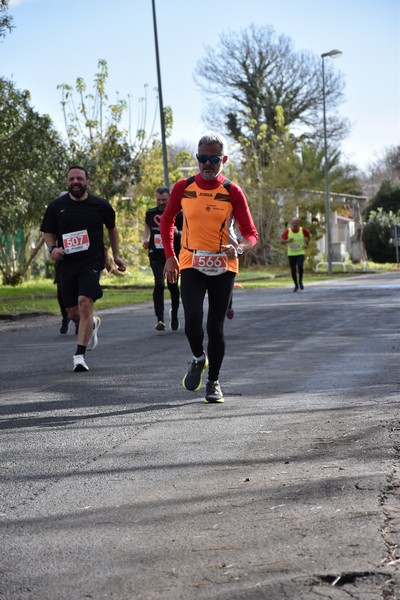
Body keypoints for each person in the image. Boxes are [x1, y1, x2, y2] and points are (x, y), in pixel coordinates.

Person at [160, 132, 258, 404]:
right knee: (191, 318)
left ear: (223, 159)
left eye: (213, 159)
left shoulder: (232, 191)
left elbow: (251, 234)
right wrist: (170, 256)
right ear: (197, 159)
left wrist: (238, 249)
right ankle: (197, 358)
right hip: (191, 260)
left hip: (223, 264)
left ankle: (213, 382)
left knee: (215, 327)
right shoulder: (183, 187)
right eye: (202, 158)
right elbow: (167, 221)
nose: (207, 164)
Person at [41, 165, 126, 372]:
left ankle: (79, 355)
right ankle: (92, 324)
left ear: (87, 182)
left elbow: (112, 229)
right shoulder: (56, 206)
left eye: (79, 178)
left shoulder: (101, 205)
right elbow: (48, 232)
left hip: (90, 262)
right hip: (66, 264)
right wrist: (52, 249)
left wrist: (116, 255)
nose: (75, 182)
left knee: (85, 302)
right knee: (72, 313)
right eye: (71, 179)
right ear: (67, 182)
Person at [143, 186, 183, 331]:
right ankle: (160, 318)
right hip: (156, 254)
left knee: (172, 285)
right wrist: (146, 239)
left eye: (164, 200)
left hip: (172, 255)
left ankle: (175, 314)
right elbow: (147, 228)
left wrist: (177, 232)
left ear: (169, 198)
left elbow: (186, 233)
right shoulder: (150, 213)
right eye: (159, 200)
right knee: (159, 284)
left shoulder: (178, 214)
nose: (161, 203)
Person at [280, 217, 311, 292]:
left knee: (300, 266)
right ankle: (296, 285)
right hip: (291, 253)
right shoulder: (288, 231)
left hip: (300, 252)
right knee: (293, 269)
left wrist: (306, 244)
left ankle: (300, 281)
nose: (294, 224)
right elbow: (281, 241)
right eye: (293, 223)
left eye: (296, 223)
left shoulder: (302, 230)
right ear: (291, 224)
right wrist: (288, 240)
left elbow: (309, 236)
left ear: (298, 223)